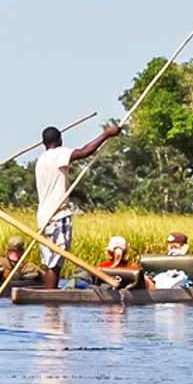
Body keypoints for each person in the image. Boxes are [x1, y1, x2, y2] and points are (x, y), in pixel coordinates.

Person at [33, 121, 122, 289]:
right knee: (55, 261)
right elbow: (84, 152)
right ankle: (51, 298)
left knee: (51, 260)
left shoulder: (41, 159)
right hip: (56, 215)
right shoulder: (57, 154)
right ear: (59, 141)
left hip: (44, 215)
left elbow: (55, 186)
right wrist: (107, 134)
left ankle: (51, 297)